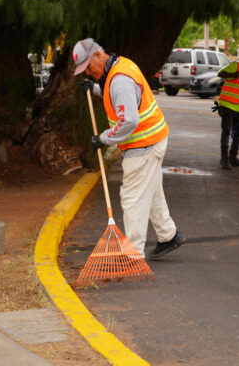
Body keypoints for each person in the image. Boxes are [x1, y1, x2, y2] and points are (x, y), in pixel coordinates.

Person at [73, 38, 184, 260]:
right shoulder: (119, 65)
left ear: (97, 55)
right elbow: (116, 94)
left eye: (87, 67)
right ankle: (168, 235)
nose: (87, 72)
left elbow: (128, 122)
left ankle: (133, 255)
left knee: (133, 197)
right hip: (155, 136)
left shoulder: (119, 80)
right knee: (151, 191)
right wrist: (95, 89)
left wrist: (103, 138)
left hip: (143, 144)